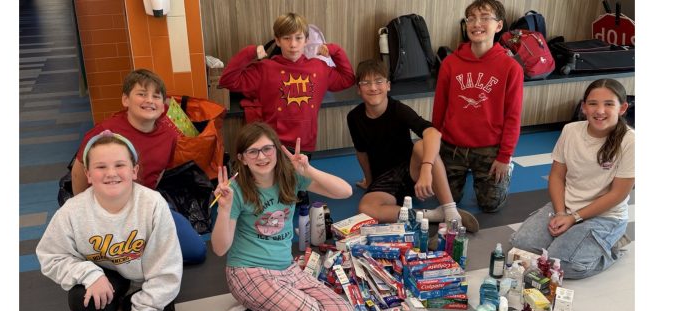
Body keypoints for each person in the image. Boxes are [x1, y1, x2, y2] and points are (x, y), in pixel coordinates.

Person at [210, 122, 354, 311]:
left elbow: (345, 191)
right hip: (248, 272)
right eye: (253, 151)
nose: (261, 157)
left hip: (287, 269)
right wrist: (224, 209)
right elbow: (220, 249)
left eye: (267, 149)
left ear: (277, 150)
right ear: (242, 158)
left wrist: (308, 170)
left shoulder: (289, 177)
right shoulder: (235, 190)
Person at [37, 131, 182, 311]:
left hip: (146, 279)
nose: (110, 173)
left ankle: (132, 302)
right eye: (101, 167)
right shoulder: (72, 211)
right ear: (88, 174)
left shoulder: (152, 204)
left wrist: (142, 310)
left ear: (134, 170)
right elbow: (50, 256)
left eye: (119, 165)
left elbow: (167, 267)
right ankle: (114, 309)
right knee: (82, 303)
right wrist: (90, 275)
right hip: (109, 277)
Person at [70, 68, 206, 264]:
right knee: (112, 258)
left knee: (195, 251)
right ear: (126, 100)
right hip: (107, 207)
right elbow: (79, 172)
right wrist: (84, 210)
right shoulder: (104, 132)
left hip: (144, 205)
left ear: (162, 105)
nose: (149, 100)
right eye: (141, 94)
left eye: (156, 96)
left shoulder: (169, 136)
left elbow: (158, 174)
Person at [509, 79, 634, 279]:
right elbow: (557, 176)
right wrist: (560, 212)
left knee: (562, 265)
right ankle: (577, 239)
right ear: (584, 107)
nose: (600, 110)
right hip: (566, 206)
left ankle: (611, 249)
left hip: (605, 215)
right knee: (521, 244)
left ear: (622, 108)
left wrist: (574, 218)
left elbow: (618, 194)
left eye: (609, 104)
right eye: (593, 103)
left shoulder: (631, 141)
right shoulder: (571, 130)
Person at [347, 59, 479, 232]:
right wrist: (370, 182)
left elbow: (433, 133)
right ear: (358, 89)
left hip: (412, 171)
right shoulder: (354, 117)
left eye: (379, 81)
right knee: (366, 209)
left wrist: (425, 170)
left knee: (422, 145)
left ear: (388, 86)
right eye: (366, 83)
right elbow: (361, 152)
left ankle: (451, 211)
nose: (373, 87)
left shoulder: (398, 109)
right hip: (386, 179)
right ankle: (432, 215)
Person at [218, 12, 355, 155]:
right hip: (273, 145)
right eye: (286, 38)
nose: (293, 44)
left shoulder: (319, 68)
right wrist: (250, 52)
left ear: (307, 40)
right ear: (277, 41)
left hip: (305, 146)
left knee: (301, 178)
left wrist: (335, 50)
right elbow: (227, 80)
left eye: (298, 38)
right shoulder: (265, 69)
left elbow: (348, 79)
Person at [432, 0, 523, 213]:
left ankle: (505, 171)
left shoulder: (511, 67)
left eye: (484, 18)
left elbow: (513, 116)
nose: (476, 24)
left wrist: (504, 157)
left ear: (499, 26)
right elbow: (439, 110)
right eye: (471, 18)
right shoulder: (451, 63)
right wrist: (433, 149)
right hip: (452, 146)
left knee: (490, 206)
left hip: (489, 147)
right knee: (447, 201)